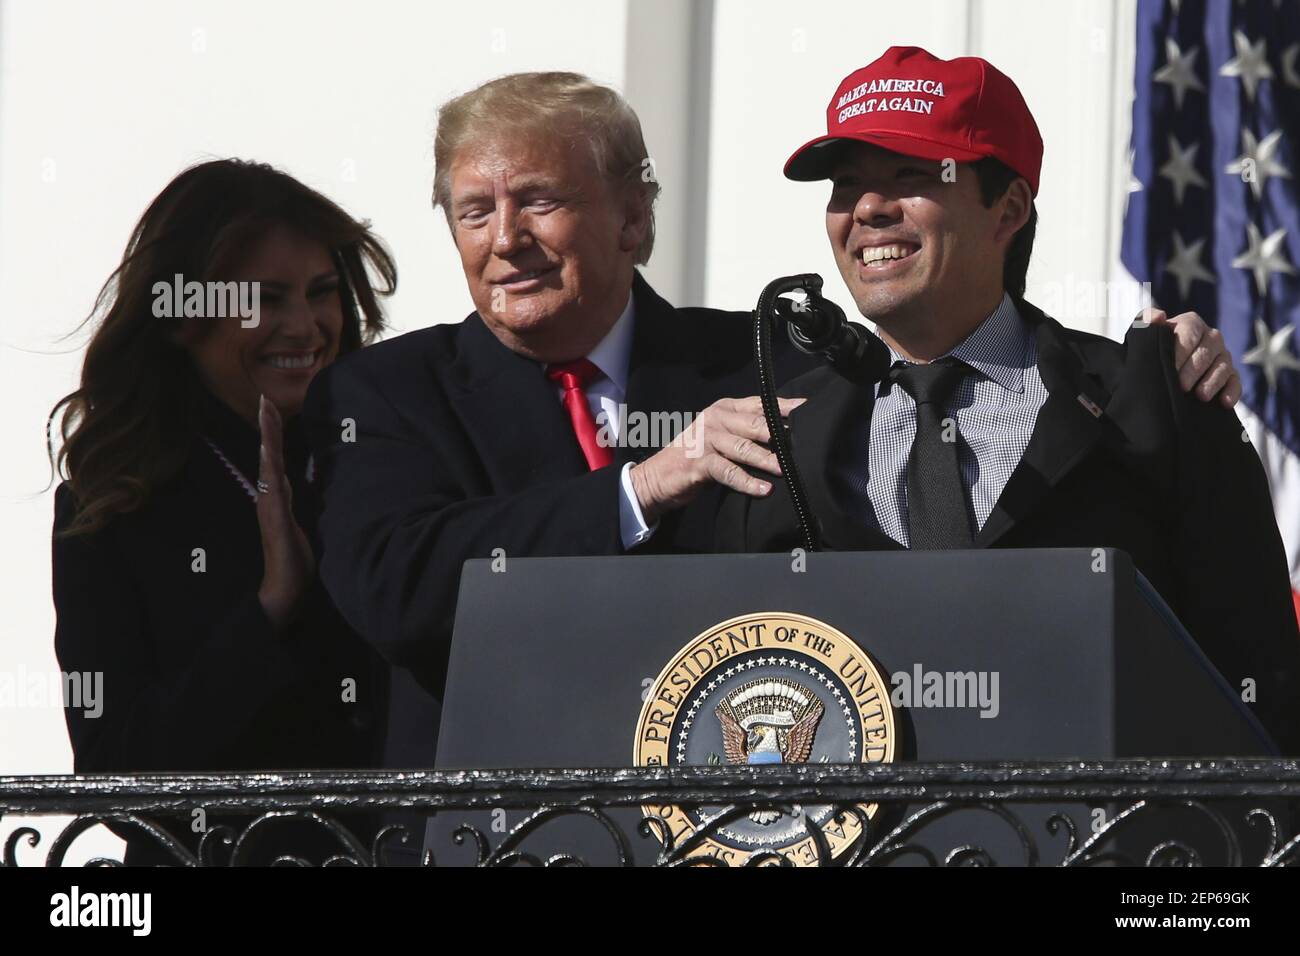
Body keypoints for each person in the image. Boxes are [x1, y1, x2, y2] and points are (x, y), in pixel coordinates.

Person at [305, 70, 1244, 772]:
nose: (504, 238)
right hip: (516, 823)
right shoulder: (381, 394)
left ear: (633, 221)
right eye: (474, 211)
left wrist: (1162, 364)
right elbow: (395, 587)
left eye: (538, 202)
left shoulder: (790, 374)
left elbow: (1248, 678)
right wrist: (639, 487)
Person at [714, 46, 1300, 753]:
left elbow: (1261, 679)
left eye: (909, 174)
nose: (867, 208)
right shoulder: (771, 430)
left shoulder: (1155, 395)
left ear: (1009, 208)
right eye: (845, 185)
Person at [49, 159, 396, 863]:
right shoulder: (113, 501)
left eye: (322, 293)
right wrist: (270, 609)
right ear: (182, 319)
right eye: (264, 300)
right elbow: (114, 772)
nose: (304, 327)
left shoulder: (391, 453)